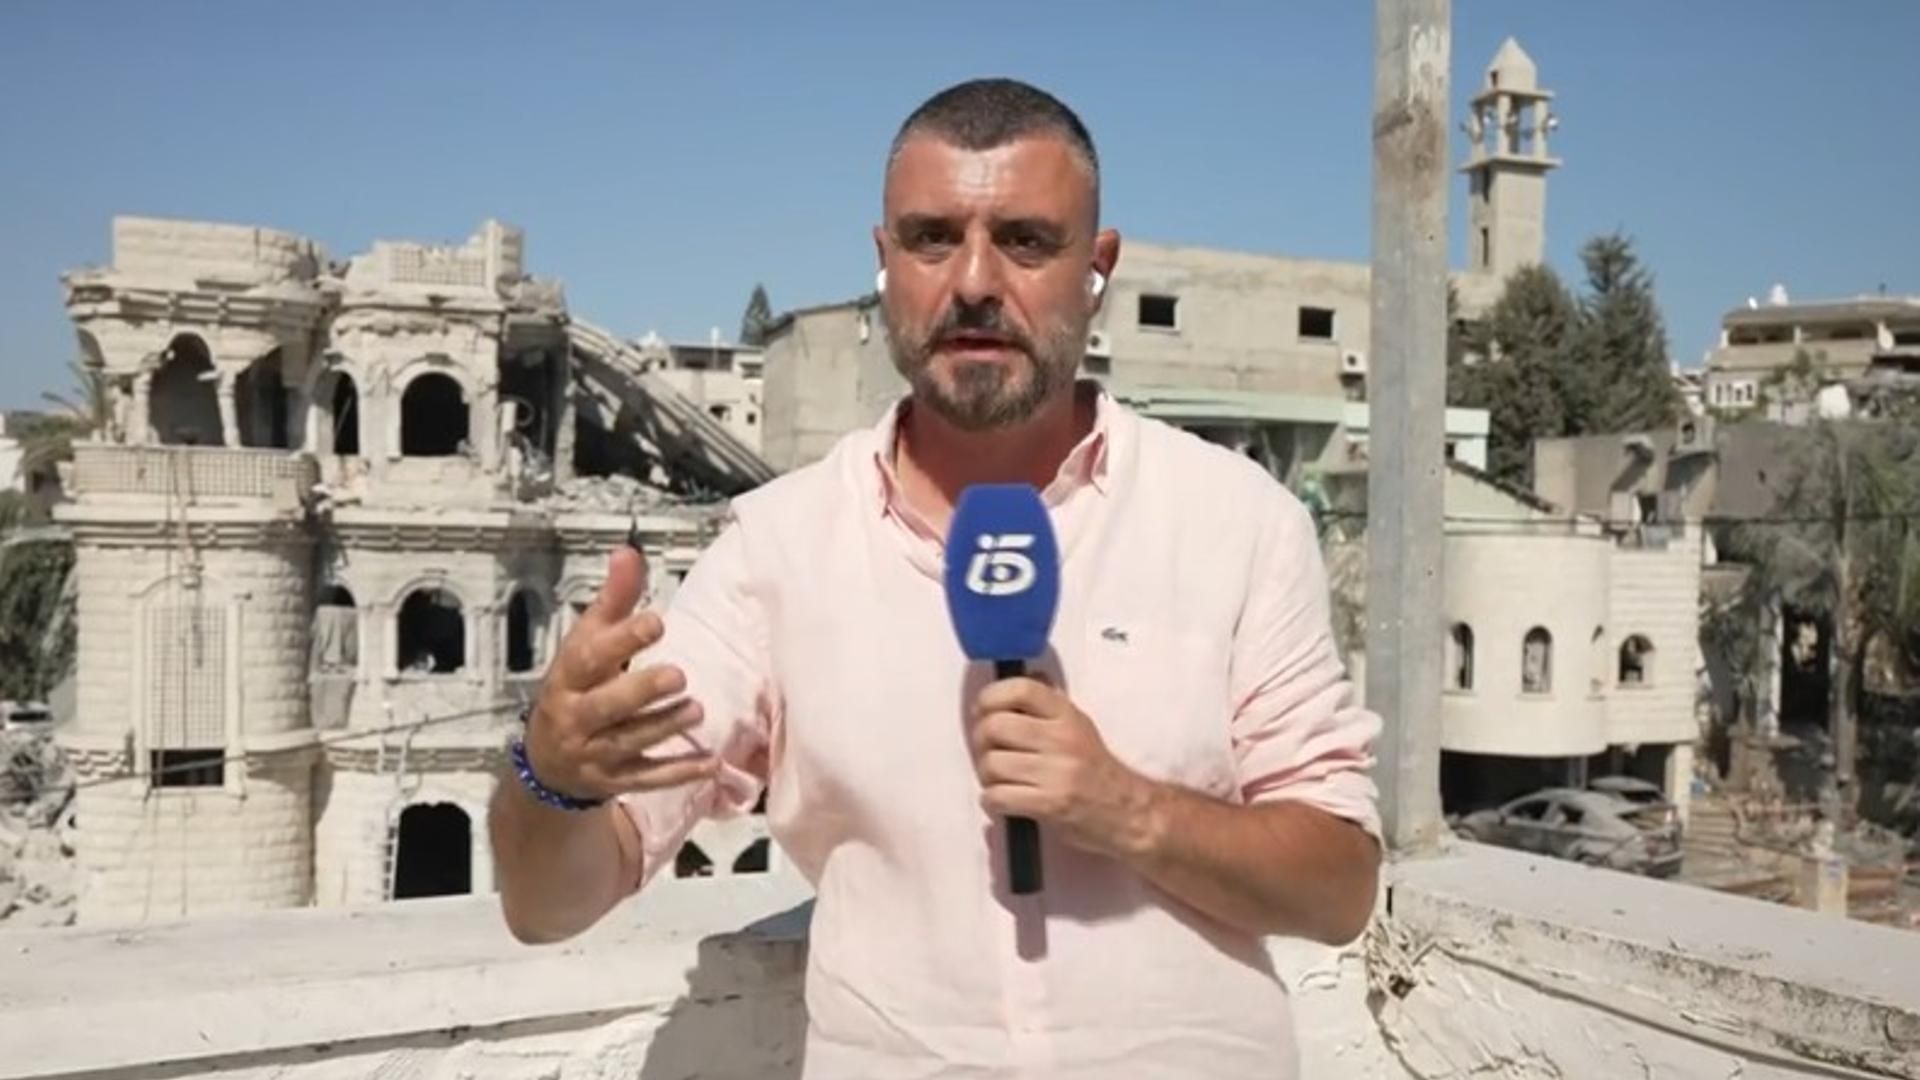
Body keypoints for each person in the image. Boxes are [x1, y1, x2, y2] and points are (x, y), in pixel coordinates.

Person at [489, 77, 1382, 1078]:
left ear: (1098, 269)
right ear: (885, 262)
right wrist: (551, 779)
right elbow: (551, 905)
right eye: (931, 239)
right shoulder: (776, 551)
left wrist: (1130, 808)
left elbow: (1339, 888)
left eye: (1026, 241)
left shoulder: (1236, 521)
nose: (973, 282)